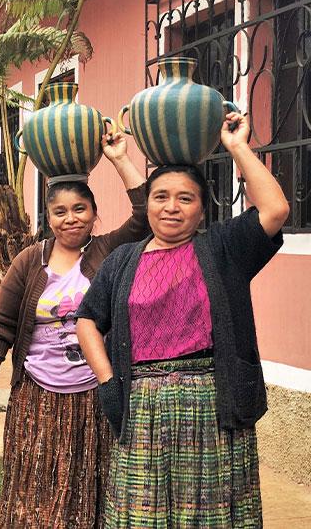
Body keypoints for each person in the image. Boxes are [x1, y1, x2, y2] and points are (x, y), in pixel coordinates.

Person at [76, 112, 289, 527]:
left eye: (185, 198)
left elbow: (276, 208)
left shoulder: (224, 249)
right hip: (141, 405)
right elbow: (87, 320)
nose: (171, 207)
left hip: (213, 404)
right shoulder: (122, 261)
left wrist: (237, 147)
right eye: (160, 197)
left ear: (201, 210)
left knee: (209, 515)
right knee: (142, 515)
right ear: (148, 203)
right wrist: (107, 383)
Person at [0, 133, 148, 528]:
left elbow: (145, 215)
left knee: (88, 484)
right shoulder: (30, 261)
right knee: (35, 486)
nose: (72, 219)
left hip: (93, 393)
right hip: (37, 394)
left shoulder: (108, 250)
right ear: (48, 218)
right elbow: (3, 326)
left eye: (80, 209)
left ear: (94, 212)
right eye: (61, 212)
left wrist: (119, 158)